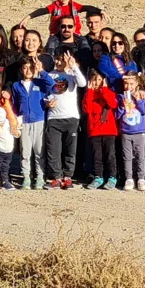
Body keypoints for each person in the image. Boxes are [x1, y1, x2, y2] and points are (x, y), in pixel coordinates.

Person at [41, 50, 85, 189]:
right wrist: (47, 102)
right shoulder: (50, 75)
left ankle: (68, 177)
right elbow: (46, 93)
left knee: (70, 149)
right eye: (57, 59)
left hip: (71, 118)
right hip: (54, 118)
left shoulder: (72, 74)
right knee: (54, 149)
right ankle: (56, 177)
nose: (59, 62)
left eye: (62, 59)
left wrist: (73, 66)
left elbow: (83, 83)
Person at [8, 56, 50, 189]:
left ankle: (40, 176)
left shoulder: (40, 83)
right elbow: (14, 104)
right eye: (25, 67)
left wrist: (41, 71)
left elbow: (52, 85)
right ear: (21, 69)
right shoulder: (16, 85)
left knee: (39, 150)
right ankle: (26, 176)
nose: (28, 70)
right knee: (25, 151)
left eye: (31, 67)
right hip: (24, 121)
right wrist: (15, 119)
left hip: (39, 120)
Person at [80, 68, 122, 189]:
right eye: (94, 80)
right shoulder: (89, 95)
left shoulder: (108, 92)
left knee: (110, 155)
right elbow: (87, 109)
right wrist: (89, 92)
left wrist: (103, 89)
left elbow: (112, 104)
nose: (97, 82)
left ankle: (112, 177)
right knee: (96, 156)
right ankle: (98, 177)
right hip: (95, 130)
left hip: (109, 130)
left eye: (99, 79)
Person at [118, 73, 145, 191]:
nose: (128, 86)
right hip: (125, 131)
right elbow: (117, 115)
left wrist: (138, 99)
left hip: (140, 130)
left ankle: (141, 179)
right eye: (126, 83)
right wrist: (122, 107)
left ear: (137, 83)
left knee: (140, 156)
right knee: (127, 156)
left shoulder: (143, 96)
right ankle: (129, 178)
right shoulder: (120, 97)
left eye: (131, 83)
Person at [29, 0, 102, 36]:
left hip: (74, 34)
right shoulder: (54, 6)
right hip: (56, 35)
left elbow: (86, 7)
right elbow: (43, 11)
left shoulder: (74, 6)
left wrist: (101, 11)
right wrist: (28, 17)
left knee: (84, 46)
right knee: (50, 48)